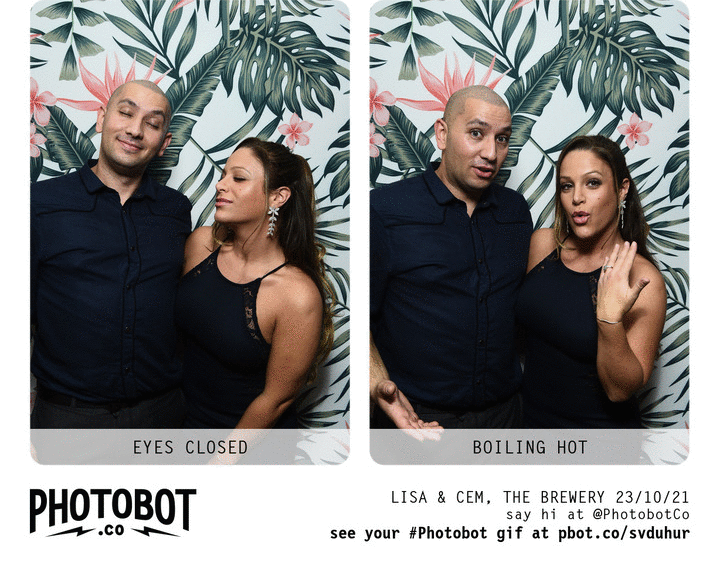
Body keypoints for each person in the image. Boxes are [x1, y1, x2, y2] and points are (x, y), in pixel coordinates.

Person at [370, 85, 532, 430]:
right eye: (476, 133)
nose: (491, 152)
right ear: (442, 134)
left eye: (502, 139)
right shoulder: (386, 210)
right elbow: (359, 317)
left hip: (504, 418)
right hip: (415, 419)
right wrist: (377, 383)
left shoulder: (516, 212)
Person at [31, 81, 191, 429]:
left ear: (164, 143)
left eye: (152, 123)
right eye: (126, 113)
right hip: (68, 419)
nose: (135, 130)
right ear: (102, 118)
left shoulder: (176, 211)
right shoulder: (40, 203)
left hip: (161, 415)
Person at [177, 138, 334, 429]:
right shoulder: (202, 245)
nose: (220, 185)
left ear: (278, 197)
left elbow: (276, 400)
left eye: (238, 178)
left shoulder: (296, 295)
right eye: (223, 175)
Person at [516, 135, 666, 428]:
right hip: (533, 429)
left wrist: (609, 319)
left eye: (593, 183)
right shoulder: (544, 244)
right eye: (567, 186)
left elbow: (619, 391)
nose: (577, 198)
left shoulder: (642, 278)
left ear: (622, 189)